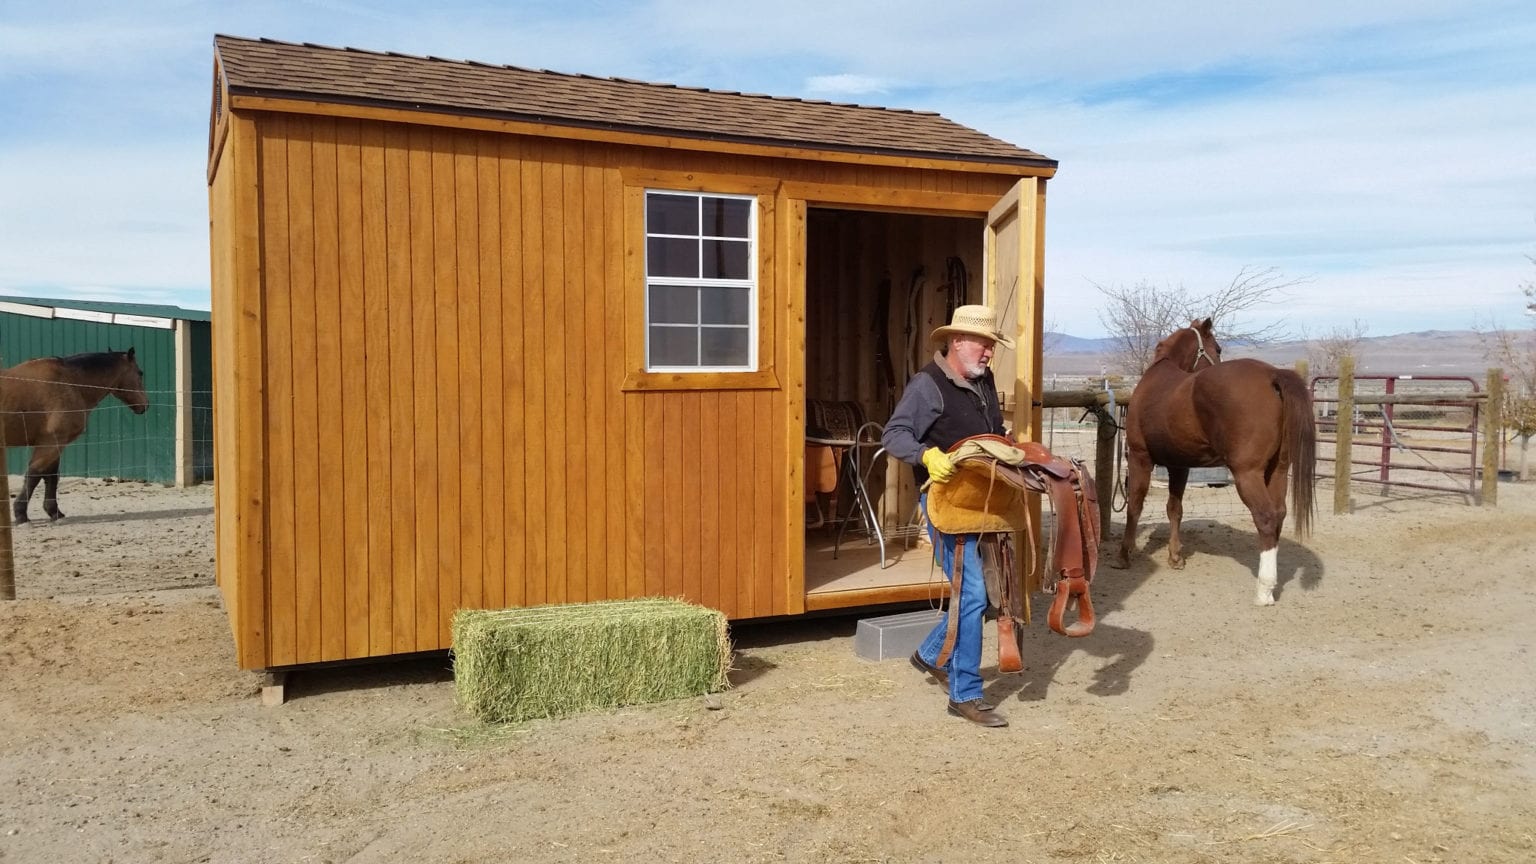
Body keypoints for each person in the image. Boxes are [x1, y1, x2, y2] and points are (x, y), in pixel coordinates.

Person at [881, 304, 1014, 728]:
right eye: (983, 343)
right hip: (944, 502)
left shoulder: (983, 380)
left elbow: (988, 431)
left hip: (981, 503)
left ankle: (930, 654)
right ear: (957, 341)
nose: (989, 352)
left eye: (992, 345)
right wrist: (925, 454)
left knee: (981, 595)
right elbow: (894, 434)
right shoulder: (928, 385)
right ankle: (966, 694)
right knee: (973, 595)